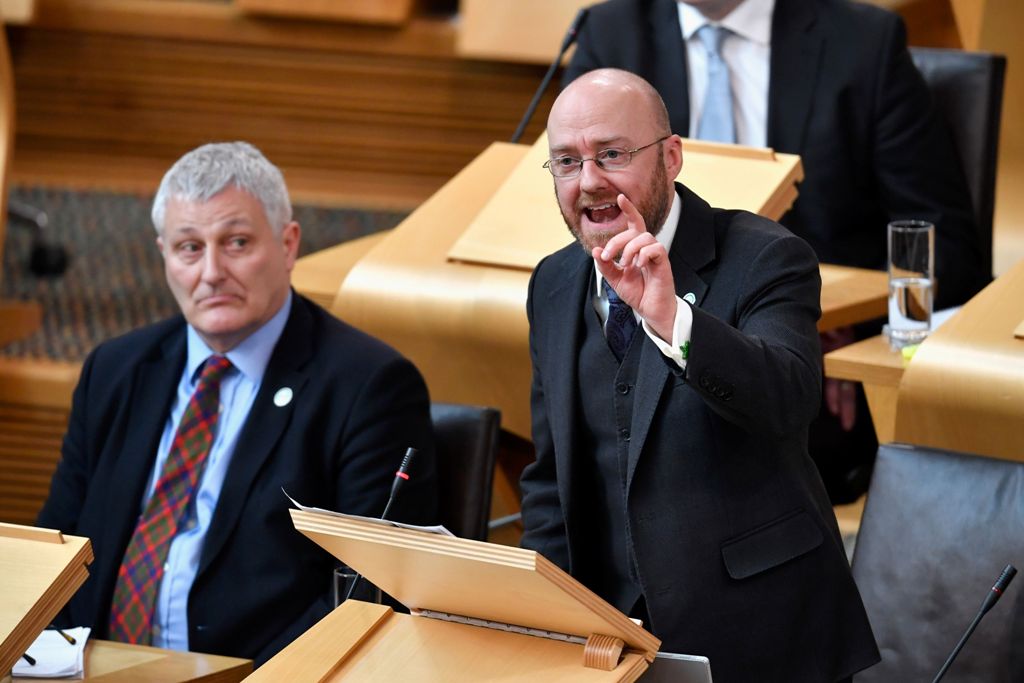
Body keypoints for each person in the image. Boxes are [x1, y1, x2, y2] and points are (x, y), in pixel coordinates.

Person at [520, 69, 879, 682]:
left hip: (762, 639)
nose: (590, 182)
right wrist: (552, 622)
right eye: (566, 162)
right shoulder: (552, 284)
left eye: (611, 155)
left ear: (672, 156)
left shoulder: (767, 256)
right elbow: (552, 478)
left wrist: (671, 321)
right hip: (611, 647)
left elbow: (788, 400)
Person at [564, 0, 990, 501]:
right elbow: (575, 212)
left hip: (816, 358)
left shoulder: (863, 42)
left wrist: (841, 323)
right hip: (637, 345)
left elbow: (945, 243)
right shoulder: (610, 33)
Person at [36, 141, 437, 665]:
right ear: (163, 255)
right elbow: (56, 547)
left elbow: (369, 596)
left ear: (289, 244)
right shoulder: (114, 370)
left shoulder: (369, 387)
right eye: (189, 248)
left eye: (237, 242)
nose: (211, 272)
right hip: (92, 667)